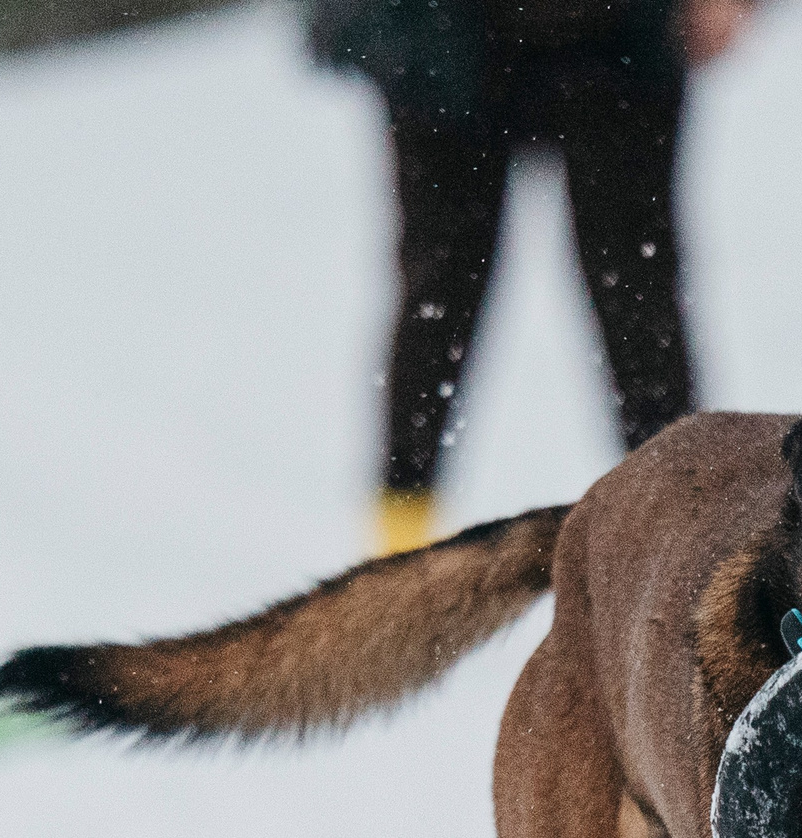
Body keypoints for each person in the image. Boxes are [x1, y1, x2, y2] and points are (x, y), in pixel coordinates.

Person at [308, 0, 760, 555]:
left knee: (641, 308)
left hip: (619, 39)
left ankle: (689, 549)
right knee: (438, 303)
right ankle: (392, 565)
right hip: (439, 38)